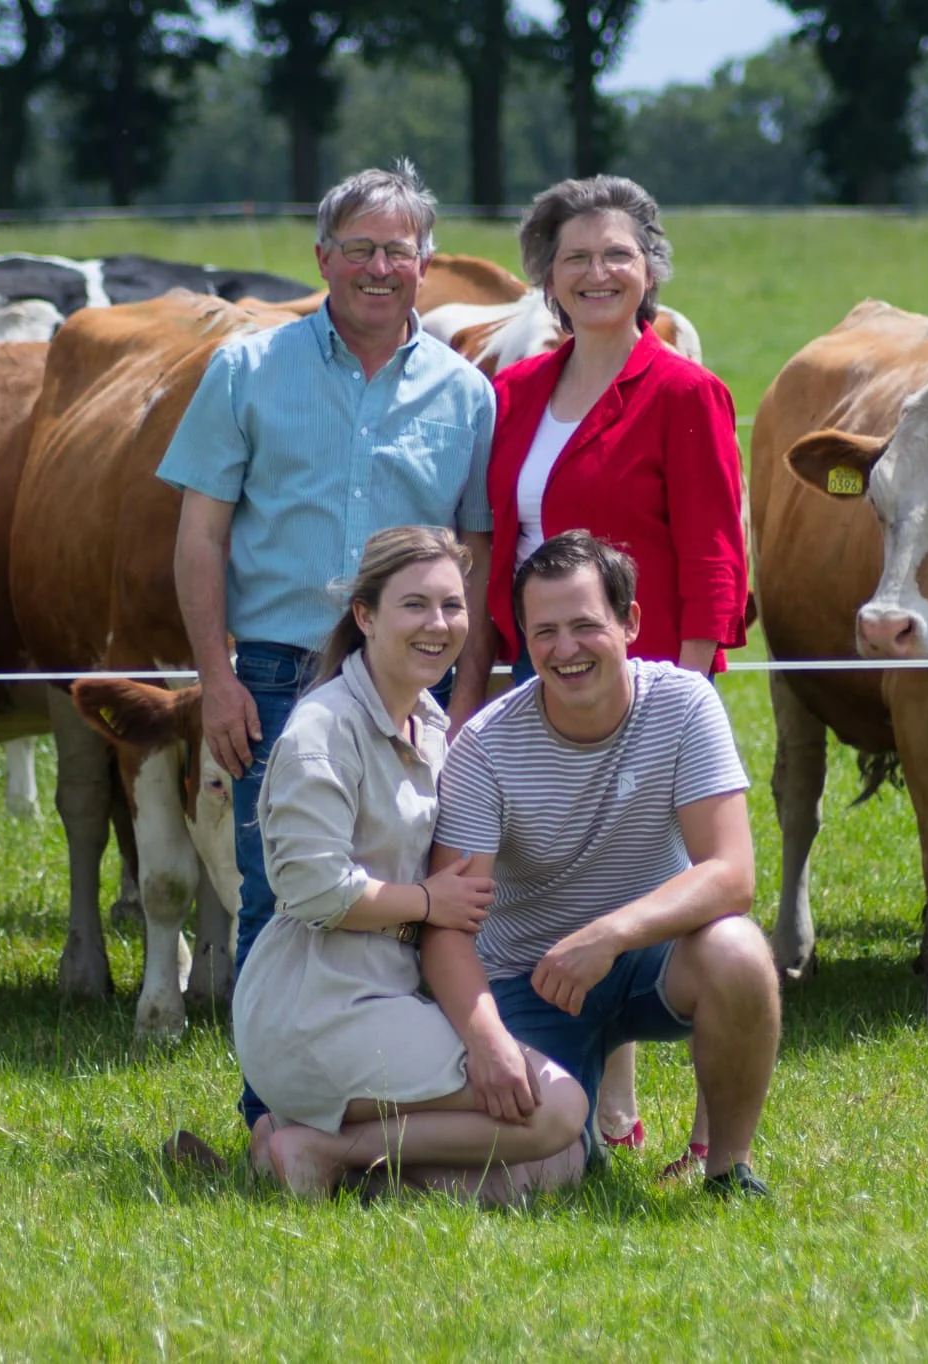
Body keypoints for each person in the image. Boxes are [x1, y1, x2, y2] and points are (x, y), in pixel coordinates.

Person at [157, 161, 498, 1135]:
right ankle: (275, 1113)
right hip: (271, 665)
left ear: (425, 265)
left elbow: (470, 550)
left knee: (411, 887)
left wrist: (464, 691)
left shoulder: (463, 392)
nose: (378, 267)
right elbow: (199, 533)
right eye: (359, 248)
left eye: (398, 249)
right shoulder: (245, 369)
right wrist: (215, 678)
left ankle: (383, 1091)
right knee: (284, 889)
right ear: (321, 259)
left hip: (408, 674)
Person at [487, 175, 749, 1155]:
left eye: (616, 255)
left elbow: (716, 554)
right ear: (545, 281)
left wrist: (682, 692)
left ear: (648, 271)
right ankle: (606, 1115)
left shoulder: (684, 390)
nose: (596, 273)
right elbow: (494, 543)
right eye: (574, 258)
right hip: (534, 678)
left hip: (644, 687)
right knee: (554, 887)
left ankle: (710, 1130)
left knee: (661, 892)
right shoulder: (511, 393)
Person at [234, 526, 587, 1201]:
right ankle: (329, 1145)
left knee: (556, 1166)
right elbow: (311, 889)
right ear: (364, 616)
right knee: (559, 1109)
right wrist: (426, 903)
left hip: (390, 998)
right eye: (415, 605)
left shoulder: (427, 723)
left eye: (453, 606)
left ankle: (304, 1154)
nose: (439, 624)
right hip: (317, 1008)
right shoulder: (322, 729)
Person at [423, 532, 779, 1198]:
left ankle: (729, 1168)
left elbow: (732, 873)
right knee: (546, 1178)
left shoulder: (684, 703)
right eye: (545, 632)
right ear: (521, 639)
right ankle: (342, 1164)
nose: (565, 650)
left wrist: (609, 936)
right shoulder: (484, 748)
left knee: (739, 949)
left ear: (631, 622)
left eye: (586, 625)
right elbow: (447, 927)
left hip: (649, 961)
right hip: (526, 981)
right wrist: (489, 1042)